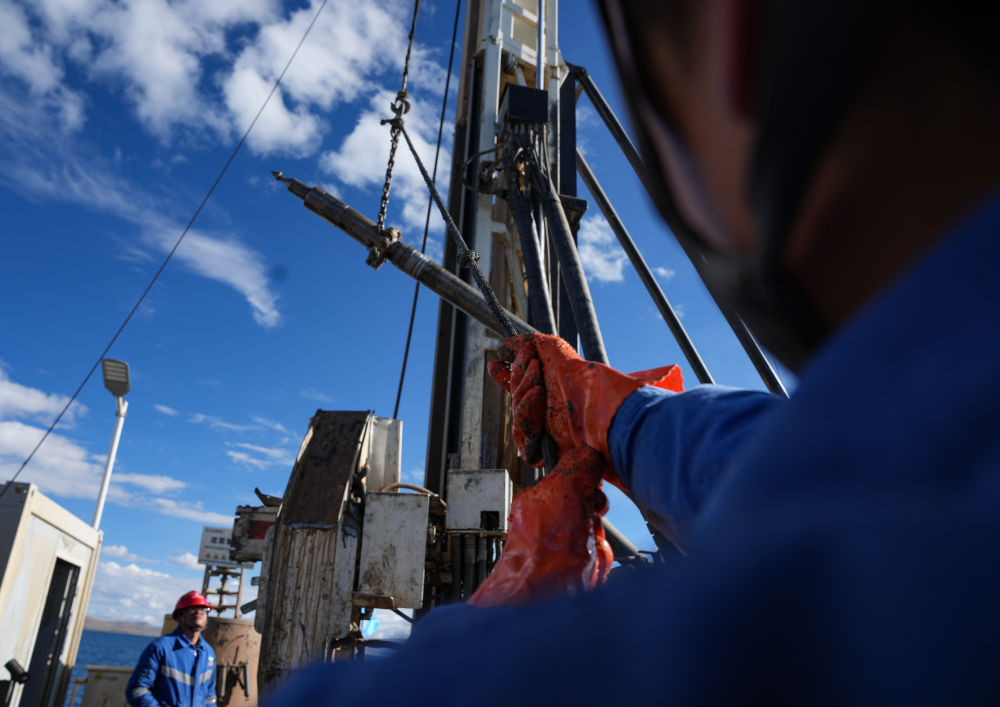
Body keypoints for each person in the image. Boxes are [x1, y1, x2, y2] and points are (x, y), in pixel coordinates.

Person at [269, 0, 1000, 703]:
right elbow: (835, 473)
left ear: (737, 32)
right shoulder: (925, 476)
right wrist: (619, 415)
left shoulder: (806, 613)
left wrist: (507, 609)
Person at [126, 591, 217, 706]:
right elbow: (137, 690)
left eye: (203, 609)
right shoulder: (161, 647)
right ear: (179, 616)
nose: (199, 612)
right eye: (192, 608)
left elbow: (210, 696)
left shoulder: (208, 653)